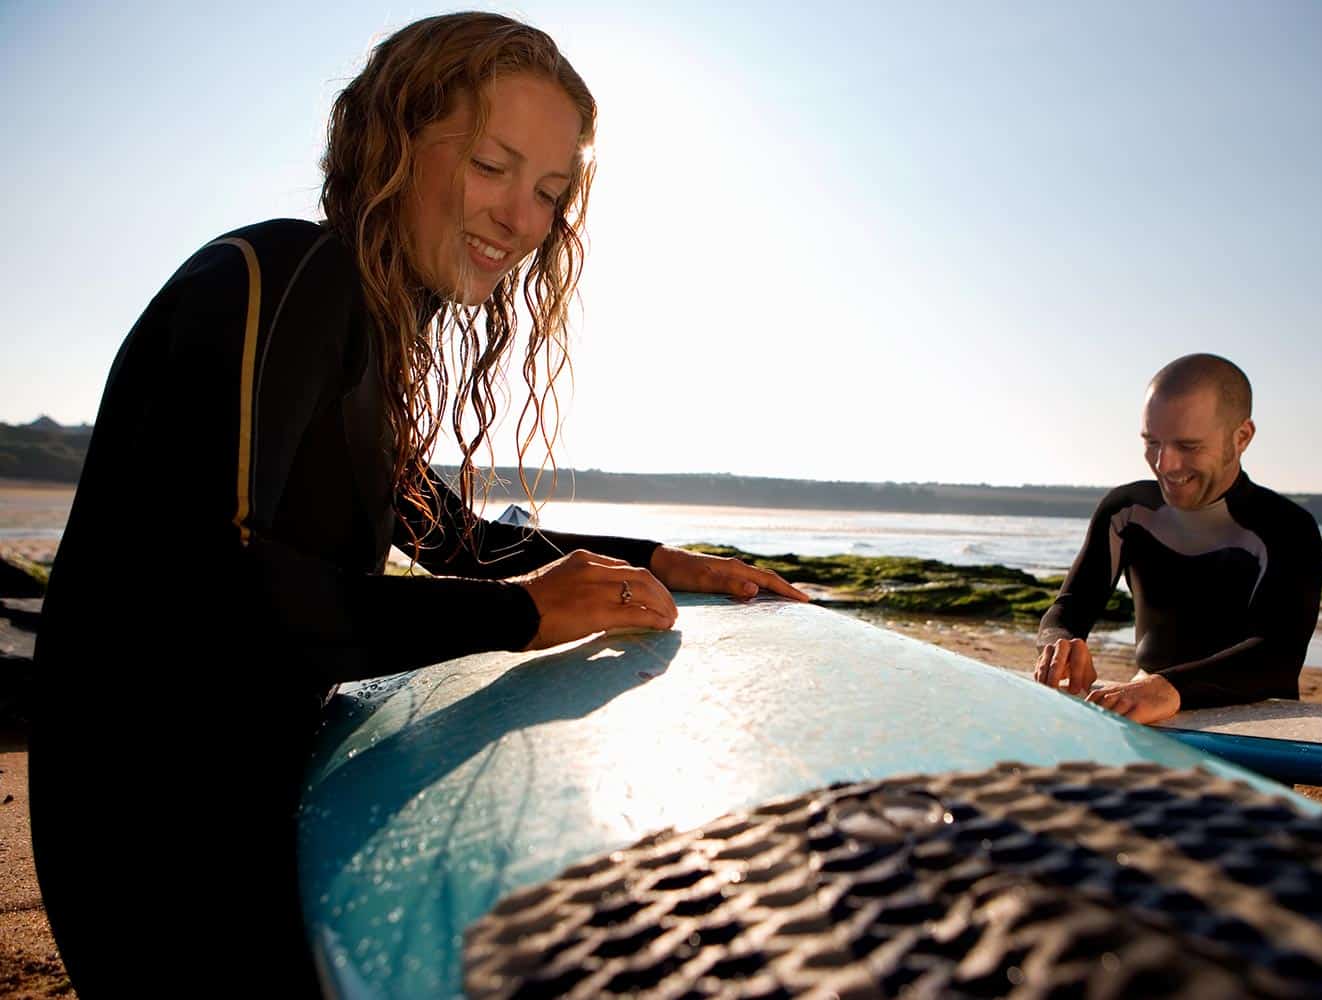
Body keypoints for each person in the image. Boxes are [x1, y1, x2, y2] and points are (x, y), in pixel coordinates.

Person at [29, 13, 805, 994]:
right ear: (391, 141)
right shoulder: (287, 274)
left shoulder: (368, 336)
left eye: (551, 193)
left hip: (228, 798)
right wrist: (523, 614)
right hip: (154, 830)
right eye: (491, 164)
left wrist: (652, 562)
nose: (522, 220)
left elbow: (456, 540)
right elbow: (214, 586)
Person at [1033, 354, 1322, 725]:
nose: (1164, 463)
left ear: (1242, 437)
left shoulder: (1286, 527)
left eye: (1188, 446)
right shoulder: (1127, 510)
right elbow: (1069, 607)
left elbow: (1277, 656)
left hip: (1258, 724)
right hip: (1153, 716)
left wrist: (1170, 687)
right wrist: (1060, 644)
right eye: (1152, 441)